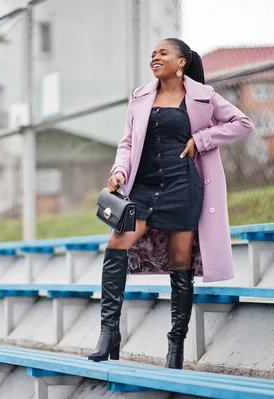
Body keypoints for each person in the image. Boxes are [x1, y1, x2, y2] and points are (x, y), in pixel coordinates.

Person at [87, 38, 254, 369]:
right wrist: (119, 172)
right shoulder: (139, 97)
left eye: (163, 53)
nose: (155, 57)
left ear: (181, 63)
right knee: (116, 245)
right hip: (143, 190)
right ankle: (108, 332)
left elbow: (242, 123)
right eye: (152, 53)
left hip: (183, 188)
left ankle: (175, 348)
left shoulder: (204, 97)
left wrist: (201, 140)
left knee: (181, 265)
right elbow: (128, 142)